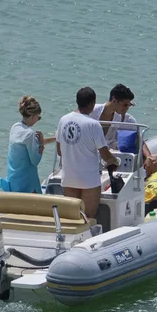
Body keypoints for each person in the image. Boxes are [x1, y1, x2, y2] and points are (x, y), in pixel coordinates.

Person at [56, 87, 120, 218]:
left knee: (72, 218)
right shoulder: (93, 125)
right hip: (88, 181)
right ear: (92, 103)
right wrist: (115, 161)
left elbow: (59, 151)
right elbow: (105, 154)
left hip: (68, 178)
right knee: (88, 218)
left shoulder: (63, 120)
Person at [88, 84, 157, 177]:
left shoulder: (126, 118)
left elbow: (139, 139)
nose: (127, 108)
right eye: (125, 104)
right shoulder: (92, 112)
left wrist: (148, 157)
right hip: (92, 152)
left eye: (129, 105)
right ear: (114, 100)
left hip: (113, 155)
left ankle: (141, 181)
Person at [0, 95, 55, 193]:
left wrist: (55, 138)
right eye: (38, 117)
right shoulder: (29, 133)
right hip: (27, 184)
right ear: (32, 116)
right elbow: (35, 161)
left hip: (13, 181)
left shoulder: (15, 127)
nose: (38, 120)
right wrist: (41, 146)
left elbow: (32, 143)